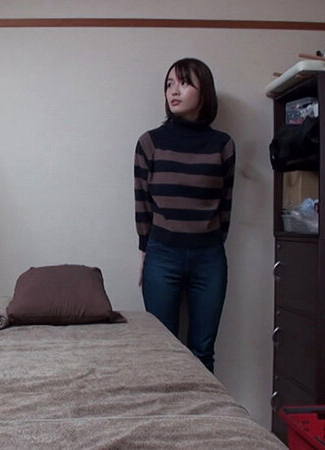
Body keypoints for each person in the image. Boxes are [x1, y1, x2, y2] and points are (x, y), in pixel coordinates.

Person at [134, 58, 235, 373]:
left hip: (209, 257)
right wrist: (145, 251)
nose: (173, 91)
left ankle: (201, 406)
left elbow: (225, 204)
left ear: (204, 91)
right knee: (162, 350)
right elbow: (142, 203)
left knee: (203, 351)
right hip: (162, 255)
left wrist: (211, 242)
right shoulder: (150, 142)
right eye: (169, 84)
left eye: (184, 83)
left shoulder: (223, 145)